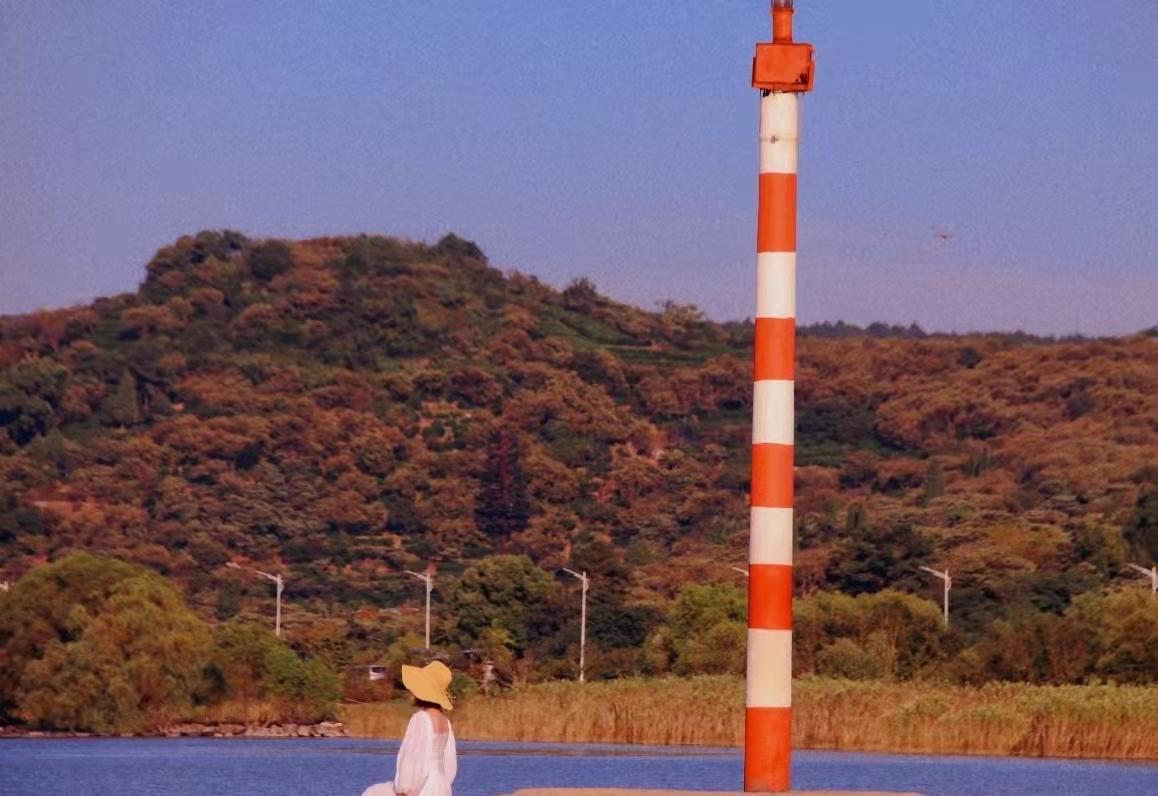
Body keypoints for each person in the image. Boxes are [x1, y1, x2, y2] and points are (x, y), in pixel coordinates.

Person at [361, 661, 458, 796]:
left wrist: (404, 790)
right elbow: (449, 762)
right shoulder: (445, 722)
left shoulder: (421, 719)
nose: (411, 692)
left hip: (423, 787)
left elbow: (414, 758)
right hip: (442, 786)